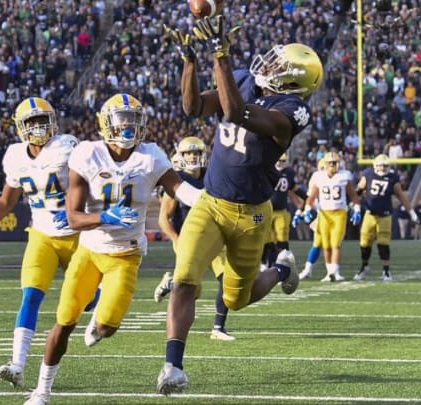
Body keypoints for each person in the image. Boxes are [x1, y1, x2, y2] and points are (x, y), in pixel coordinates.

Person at [158, 17, 321, 395]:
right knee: (184, 280)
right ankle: (173, 367)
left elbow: (235, 113)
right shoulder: (249, 81)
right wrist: (189, 59)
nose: (270, 66)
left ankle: (281, 271)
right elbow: (195, 106)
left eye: (280, 66)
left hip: (252, 215)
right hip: (211, 204)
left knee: (237, 297)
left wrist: (220, 56)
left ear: (294, 80)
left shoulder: (293, 111)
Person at [25, 93, 202, 404]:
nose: (128, 127)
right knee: (64, 321)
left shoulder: (151, 157)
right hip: (90, 251)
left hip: (126, 255)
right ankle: (42, 391)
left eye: (134, 120)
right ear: (106, 124)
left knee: (106, 327)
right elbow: (73, 217)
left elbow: (181, 189)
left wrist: (214, 202)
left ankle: (97, 322)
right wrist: (103, 217)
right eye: (122, 120)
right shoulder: (87, 154)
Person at [0, 97, 93, 388]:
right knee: (30, 295)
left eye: (43, 120)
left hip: (75, 235)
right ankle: (17, 364)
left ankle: (95, 297)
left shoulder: (68, 147)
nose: (39, 127)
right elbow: (8, 200)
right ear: (20, 127)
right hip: (42, 235)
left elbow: (92, 184)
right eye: (32, 122)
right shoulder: (15, 156)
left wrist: (76, 212)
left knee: (87, 298)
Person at [154, 136, 236, 341]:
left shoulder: (211, 177)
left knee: (227, 279)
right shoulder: (176, 180)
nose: (192, 156)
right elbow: (163, 219)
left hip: (214, 238)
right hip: (188, 240)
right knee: (192, 290)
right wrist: (177, 239)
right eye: (188, 153)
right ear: (180, 156)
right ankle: (172, 282)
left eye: (196, 153)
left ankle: (218, 328)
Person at [296, 152, 360, 282]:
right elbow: (310, 198)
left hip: (339, 213)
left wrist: (357, 210)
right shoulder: (319, 177)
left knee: (335, 244)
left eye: (335, 163)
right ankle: (329, 272)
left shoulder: (344, 176)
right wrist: (307, 210)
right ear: (325, 164)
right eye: (330, 163)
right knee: (325, 245)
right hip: (324, 214)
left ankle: (335, 272)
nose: (332, 165)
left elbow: (354, 196)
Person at [353, 154, 418, 282]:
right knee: (364, 243)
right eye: (380, 165)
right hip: (369, 214)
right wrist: (353, 205)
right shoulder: (368, 174)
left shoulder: (392, 178)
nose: (382, 168)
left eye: (384, 165)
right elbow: (358, 191)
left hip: (385, 215)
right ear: (375, 166)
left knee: (383, 244)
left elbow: (401, 196)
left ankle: (386, 271)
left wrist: (411, 212)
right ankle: (364, 266)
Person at [261, 153, 307, 269]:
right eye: (277, 160)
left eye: (282, 161)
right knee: (266, 239)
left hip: (281, 210)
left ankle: (284, 265)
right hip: (266, 211)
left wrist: (307, 197)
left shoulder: (289, 173)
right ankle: (266, 263)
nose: (278, 163)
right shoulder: (267, 170)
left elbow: (294, 188)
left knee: (282, 239)